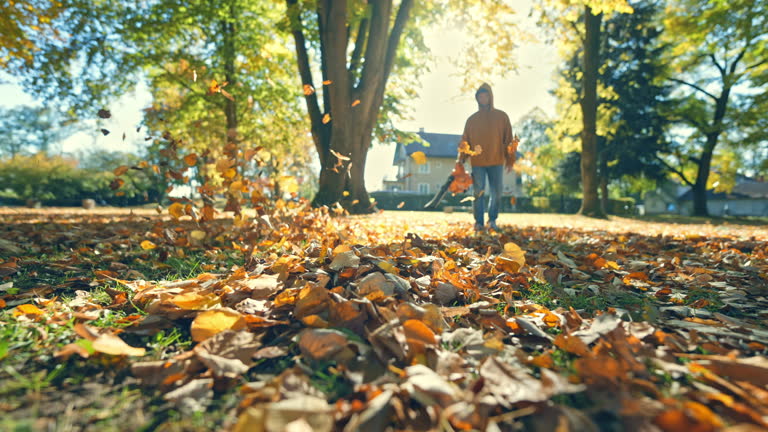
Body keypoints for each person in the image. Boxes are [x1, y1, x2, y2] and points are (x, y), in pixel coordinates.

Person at [459, 83, 517, 232]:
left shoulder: (502, 116)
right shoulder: (471, 120)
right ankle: (478, 222)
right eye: (480, 96)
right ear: (477, 99)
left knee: (496, 192)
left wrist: (510, 159)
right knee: (478, 192)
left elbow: (508, 139)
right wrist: (461, 160)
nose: (483, 98)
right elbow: (465, 141)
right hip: (478, 162)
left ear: (490, 97)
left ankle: (492, 220)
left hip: (496, 160)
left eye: (486, 96)